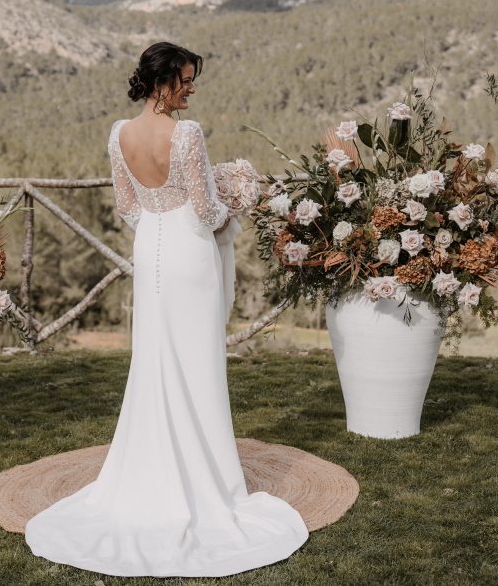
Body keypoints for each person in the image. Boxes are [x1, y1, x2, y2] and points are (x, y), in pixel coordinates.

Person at [23, 42, 309, 577]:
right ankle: (207, 481)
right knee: (198, 364)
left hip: (150, 249)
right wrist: (234, 203)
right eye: (184, 80)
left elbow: (128, 206)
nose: (192, 89)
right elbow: (203, 212)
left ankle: (153, 466)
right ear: (160, 83)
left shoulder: (119, 134)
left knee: (155, 360)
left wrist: (162, 219)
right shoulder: (188, 135)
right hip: (187, 252)